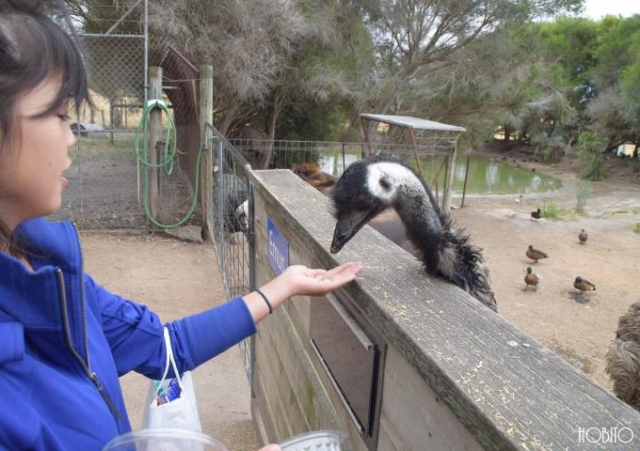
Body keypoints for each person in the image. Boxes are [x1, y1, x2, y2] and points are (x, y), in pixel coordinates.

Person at [0, 1, 363, 450]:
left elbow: (164, 348)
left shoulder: (52, 273)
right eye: (57, 115)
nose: (72, 133)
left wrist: (283, 286)